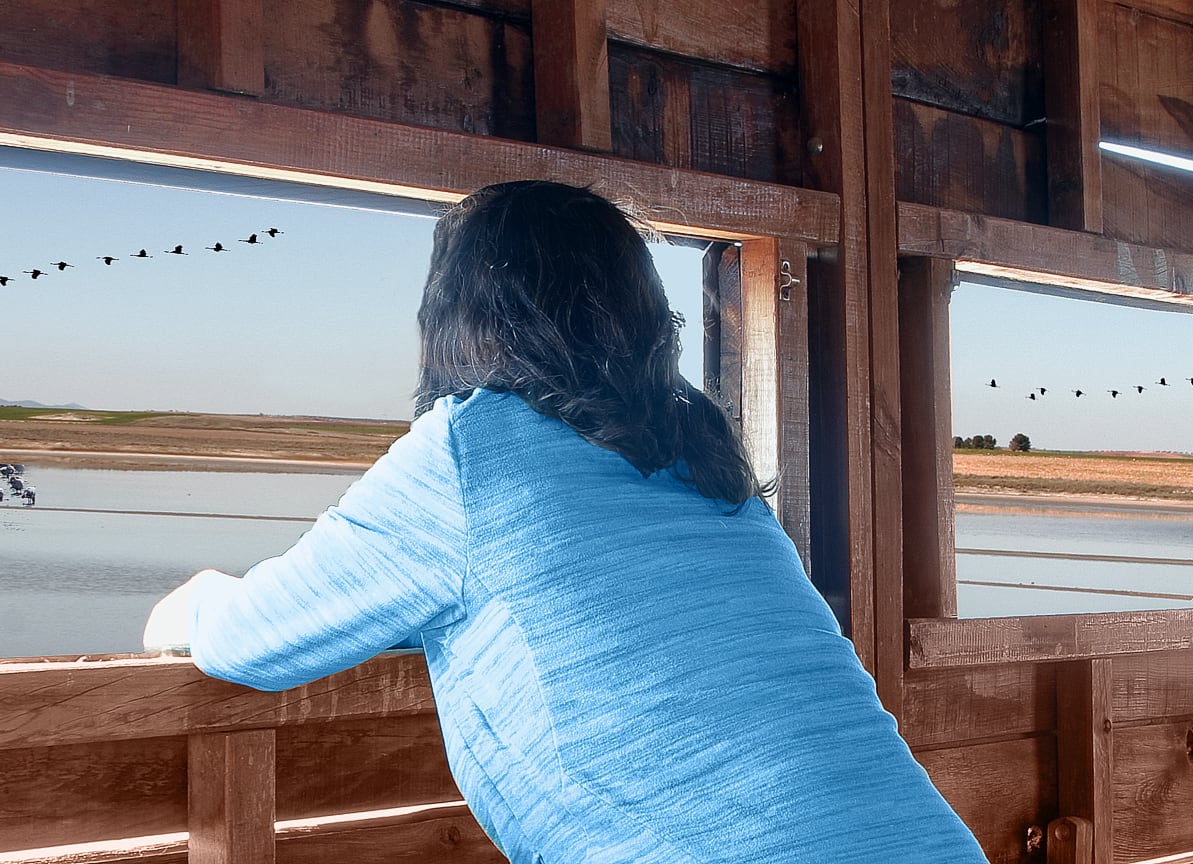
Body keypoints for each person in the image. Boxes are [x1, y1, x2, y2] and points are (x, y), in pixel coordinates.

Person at [141, 180, 986, 863]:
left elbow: (254, 640)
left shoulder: (472, 448)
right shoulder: (703, 460)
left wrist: (188, 601)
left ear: (458, 312)